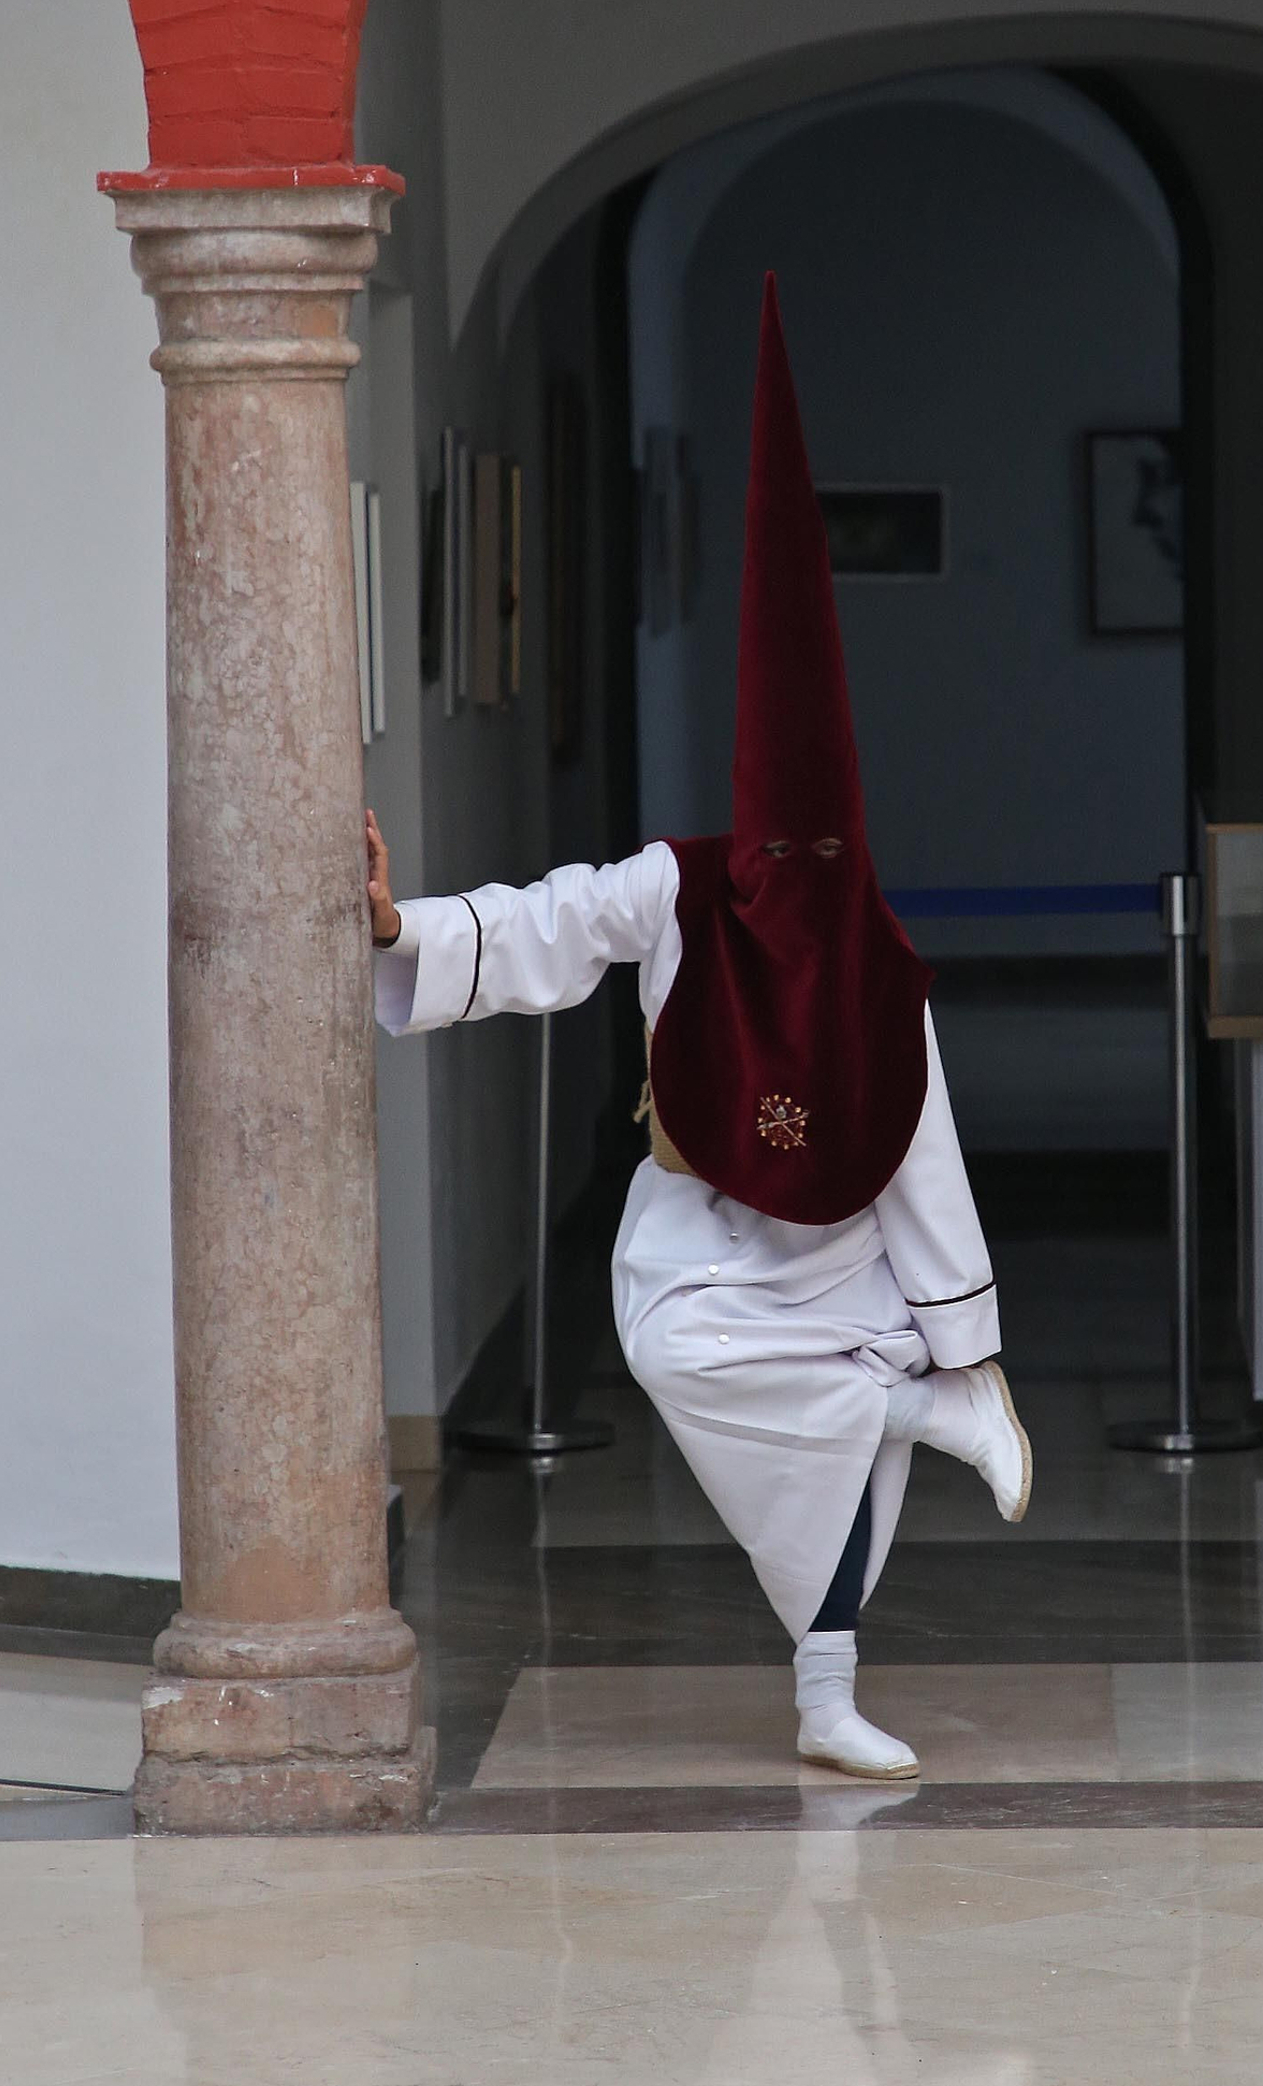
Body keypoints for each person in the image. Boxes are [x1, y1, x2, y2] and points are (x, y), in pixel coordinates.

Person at [368, 280, 1030, 1780]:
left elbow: (921, 1140)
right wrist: (406, 931)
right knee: (679, 1361)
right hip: (706, 1238)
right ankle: (908, 1409)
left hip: (845, 1246)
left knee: (842, 1464)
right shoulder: (682, 884)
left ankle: (829, 1690)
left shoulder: (872, 948)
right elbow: (556, 919)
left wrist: (968, 1345)